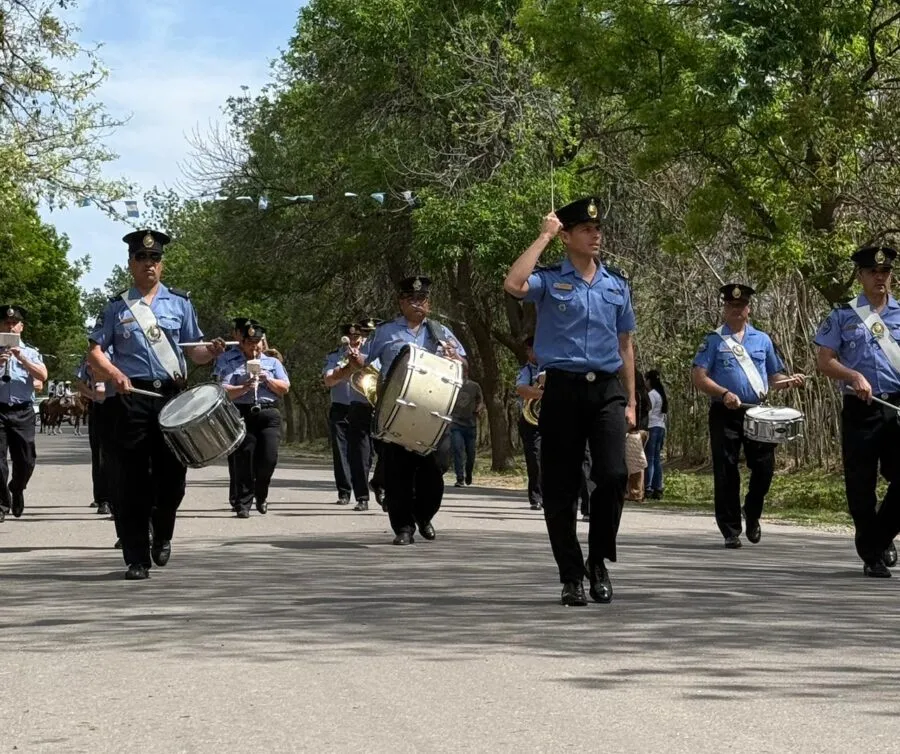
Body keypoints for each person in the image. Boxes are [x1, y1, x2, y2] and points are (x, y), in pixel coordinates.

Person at [504, 196, 636, 607]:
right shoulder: (549, 279)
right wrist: (543, 236)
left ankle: (598, 562)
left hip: (606, 391)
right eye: (586, 230)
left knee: (613, 475)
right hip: (561, 388)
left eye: (598, 230)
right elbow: (514, 284)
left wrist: (631, 401)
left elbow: (626, 344)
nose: (596, 236)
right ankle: (571, 574)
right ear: (567, 236)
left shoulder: (616, 284)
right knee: (560, 485)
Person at [87, 229, 224, 580]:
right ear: (131, 263)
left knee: (171, 480)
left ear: (162, 265)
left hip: (171, 400)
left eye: (155, 259)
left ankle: (162, 533)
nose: (149, 264)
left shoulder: (180, 303)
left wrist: (211, 351)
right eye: (142, 258)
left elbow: (194, 350)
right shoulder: (116, 308)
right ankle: (135, 557)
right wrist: (115, 374)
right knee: (129, 480)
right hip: (131, 399)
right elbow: (95, 353)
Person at [339, 275, 466, 545]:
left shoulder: (440, 332)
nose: (416, 304)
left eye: (421, 300)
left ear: (429, 303)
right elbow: (365, 360)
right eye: (411, 299)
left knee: (436, 468)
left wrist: (456, 358)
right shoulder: (385, 332)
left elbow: (463, 366)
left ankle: (424, 515)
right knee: (398, 472)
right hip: (395, 411)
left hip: (434, 411)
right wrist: (354, 358)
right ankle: (404, 528)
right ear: (401, 302)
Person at [691, 283, 804, 549]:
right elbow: (699, 376)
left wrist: (789, 381)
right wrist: (723, 393)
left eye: (740, 306)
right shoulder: (713, 340)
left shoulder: (762, 340)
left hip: (758, 412)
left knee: (764, 468)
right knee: (727, 469)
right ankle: (731, 530)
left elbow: (774, 378)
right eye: (731, 306)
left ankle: (752, 512)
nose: (736, 310)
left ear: (748, 309)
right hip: (725, 411)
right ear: (724, 308)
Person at [815, 244, 900, 577]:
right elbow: (825, 360)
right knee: (861, 485)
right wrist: (852, 375)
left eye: (885, 272)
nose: (879, 277)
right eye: (872, 272)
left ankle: (878, 537)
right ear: (861, 276)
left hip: (896, 406)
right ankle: (873, 555)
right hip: (860, 407)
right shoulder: (843, 316)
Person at [221, 322, 290, 518]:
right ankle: (243, 504)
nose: (255, 347)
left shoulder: (273, 363)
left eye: (258, 342)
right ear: (242, 343)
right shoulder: (230, 362)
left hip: (269, 413)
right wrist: (243, 387)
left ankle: (261, 494)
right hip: (242, 413)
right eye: (251, 343)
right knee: (244, 460)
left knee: (268, 459)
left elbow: (285, 388)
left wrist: (267, 379)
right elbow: (223, 390)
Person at [0, 305, 48, 522]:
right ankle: (2, 503)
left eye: (14, 324)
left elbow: (43, 376)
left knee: (26, 460)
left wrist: (23, 360)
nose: (10, 327)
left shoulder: (31, 352)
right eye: (6, 323)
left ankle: (17, 488)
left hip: (22, 411)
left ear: (21, 327)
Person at [213, 316, 256, 511]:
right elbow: (220, 381)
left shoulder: (262, 354)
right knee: (237, 453)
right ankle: (238, 495)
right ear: (236, 335)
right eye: (243, 332)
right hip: (234, 406)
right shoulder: (227, 355)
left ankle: (250, 494)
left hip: (258, 407)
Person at [322, 324, 362, 507]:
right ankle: (344, 492)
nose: (353, 340)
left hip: (362, 408)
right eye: (349, 337)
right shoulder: (334, 356)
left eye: (357, 337)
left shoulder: (369, 355)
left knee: (363, 453)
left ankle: (363, 493)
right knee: (341, 452)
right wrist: (346, 366)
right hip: (340, 408)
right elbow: (329, 380)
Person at [75, 355, 112, 515]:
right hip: (100, 408)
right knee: (100, 454)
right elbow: (80, 383)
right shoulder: (91, 357)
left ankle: (120, 496)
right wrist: (93, 395)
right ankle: (103, 499)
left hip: (124, 405)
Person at [516, 336, 543, 510]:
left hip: (551, 420)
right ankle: (536, 497)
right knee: (534, 460)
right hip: (530, 421)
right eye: (529, 350)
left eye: (534, 349)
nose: (531, 353)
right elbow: (521, 388)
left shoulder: (552, 367)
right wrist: (542, 393)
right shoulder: (526, 370)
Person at [449, 364, 484, 487]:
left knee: (471, 454)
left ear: (466, 372)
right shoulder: (452, 385)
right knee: (458, 450)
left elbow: (480, 401)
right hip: (456, 423)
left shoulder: (474, 386)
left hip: (470, 424)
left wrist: (478, 409)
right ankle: (460, 478)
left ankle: (468, 472)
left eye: (462, 371)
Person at [625, 366, 651, 501]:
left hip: (635, 431)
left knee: (634, 463)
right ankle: (638, 491)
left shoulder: (635, 395)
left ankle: (635, 492)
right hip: (645, 430)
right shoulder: (645, 395)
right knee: (639, 462)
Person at [644, 369, 668, 500]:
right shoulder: (661, 394)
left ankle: (648, 487)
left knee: (650, 458)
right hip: (661, 427)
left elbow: (649, 411)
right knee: (657, 458)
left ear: (649, 380)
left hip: (652, 426)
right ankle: (658, 487)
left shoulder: (652, 394)